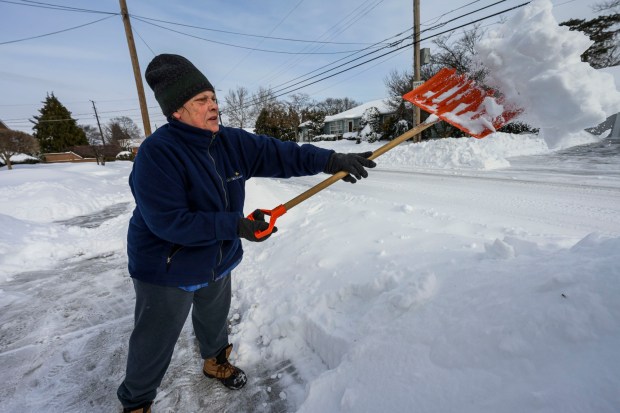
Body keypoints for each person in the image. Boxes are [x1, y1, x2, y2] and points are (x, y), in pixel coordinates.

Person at [116, 54, 376, 413]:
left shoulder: (229, 142)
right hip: (167, 266)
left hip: (217, 257)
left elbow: (281, 153)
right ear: (177, 111)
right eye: (201, 101)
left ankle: (215, 361)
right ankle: (136, 401)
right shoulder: (157, 155)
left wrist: (330, 160)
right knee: (154, 339)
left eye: (213, 98)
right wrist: (234, 226)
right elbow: (169, 222)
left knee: (213, 318)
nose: (213, 107)